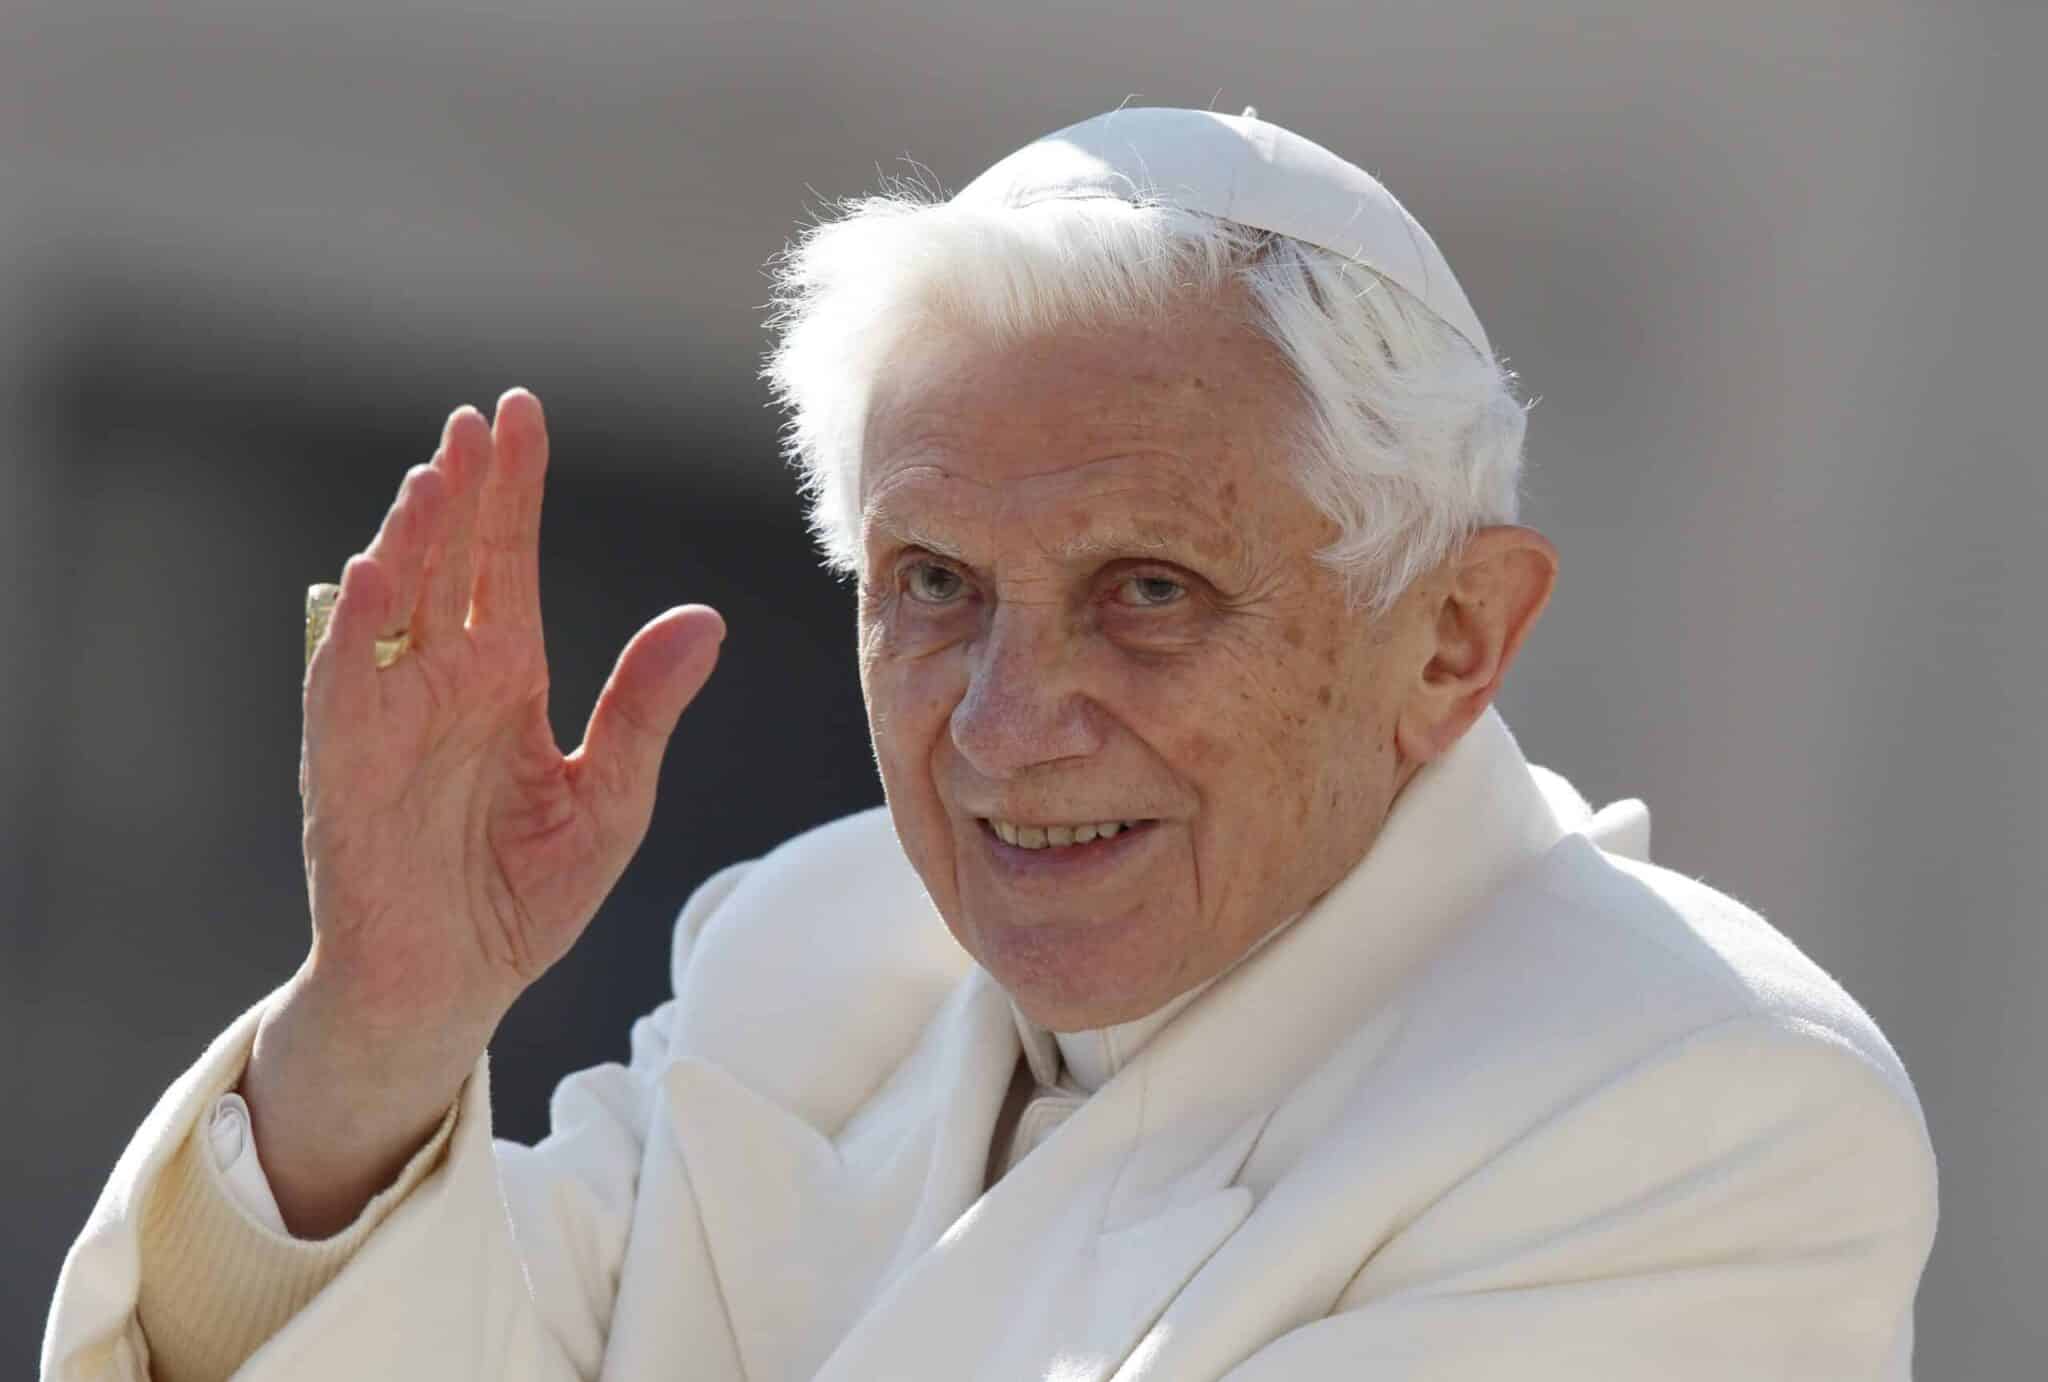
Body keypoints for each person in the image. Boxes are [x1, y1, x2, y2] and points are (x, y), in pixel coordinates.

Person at [43, 107, 1935, 1381]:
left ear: (1447, 639)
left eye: (1151, 593)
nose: (1009, 728)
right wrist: (381, 1029)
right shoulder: (819, 951)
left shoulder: (1707, 1107)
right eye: (935, 580)